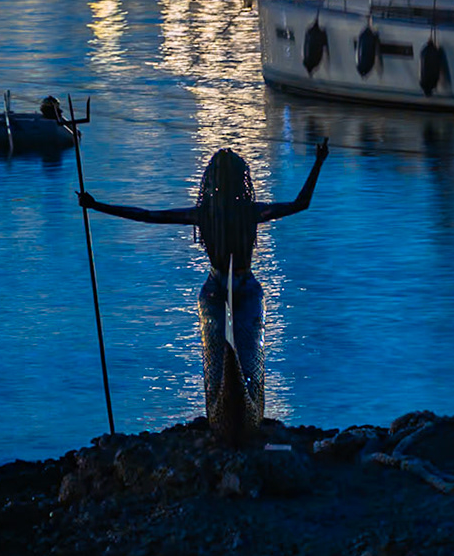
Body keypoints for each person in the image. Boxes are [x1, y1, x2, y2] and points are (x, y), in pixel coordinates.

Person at [79, 138, 328, 445]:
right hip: (245, 290)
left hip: (215, 292)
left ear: (210, 182)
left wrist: (96, 205)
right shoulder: (250, 212)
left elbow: (148, 215)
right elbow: (300, 204)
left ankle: (225, 415)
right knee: (247, 358)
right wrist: (318, 162)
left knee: (219, 360)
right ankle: (243, 414)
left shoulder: (204, 214)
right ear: (243, 181)